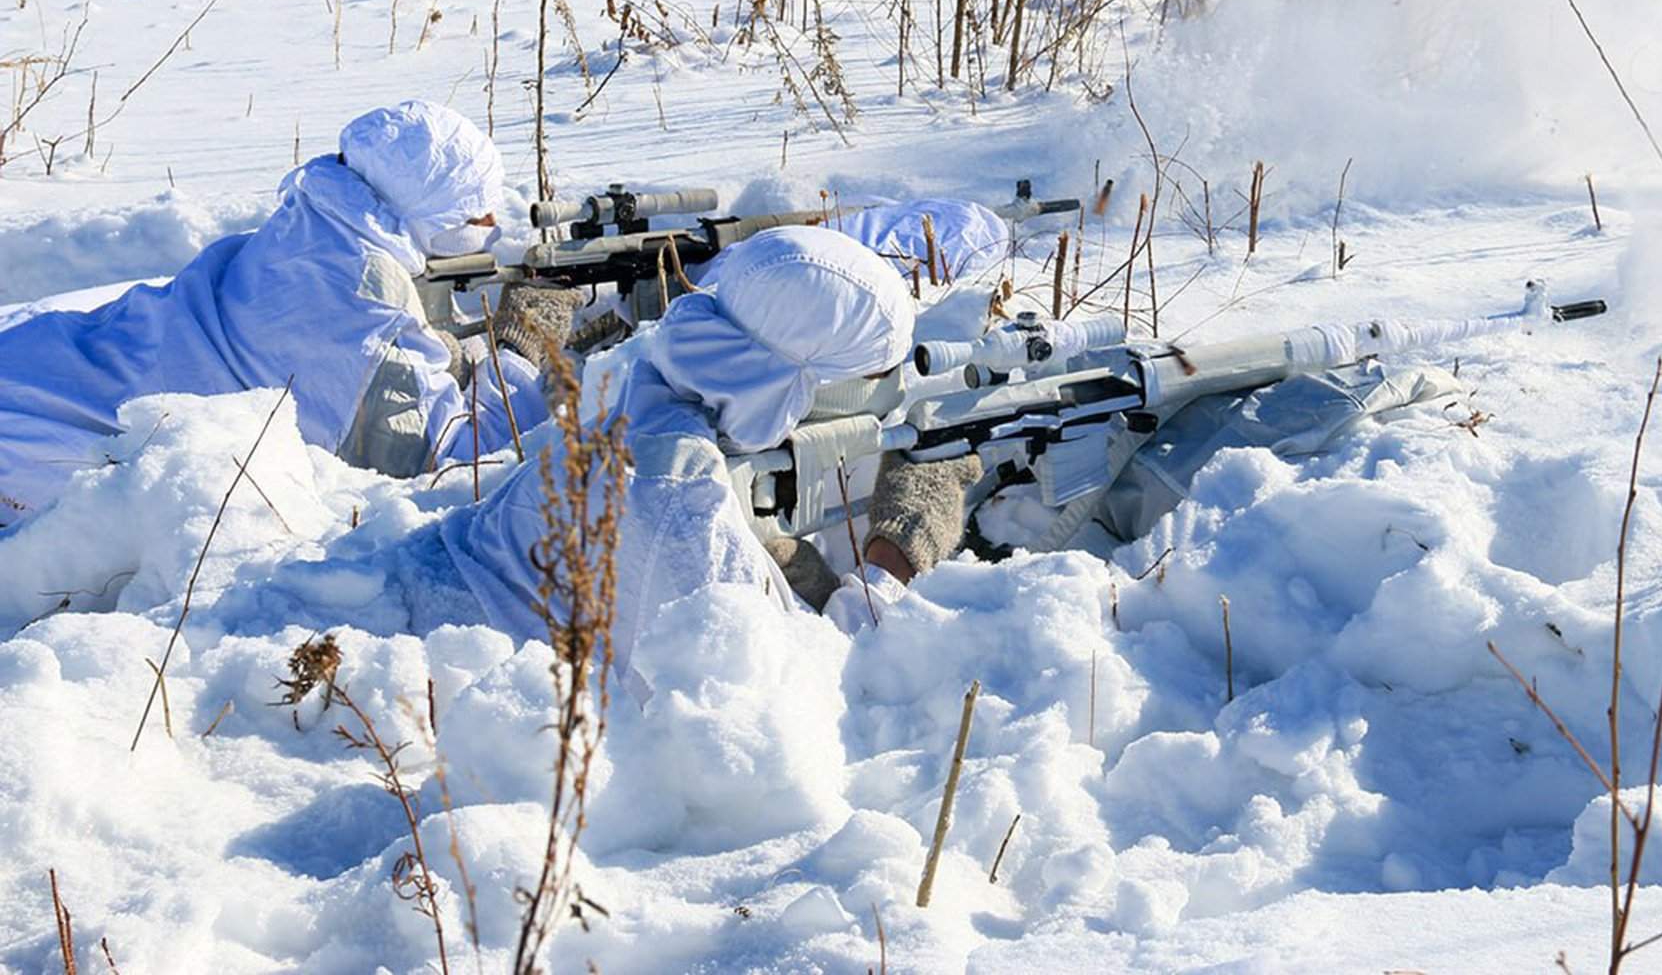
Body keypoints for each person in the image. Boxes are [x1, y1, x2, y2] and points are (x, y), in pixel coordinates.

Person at [439, 225, 980, 693]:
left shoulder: (657, 396)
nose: (888, 390)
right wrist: (896, 558)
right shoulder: (683, 507)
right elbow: (802, 699)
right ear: (797, 381)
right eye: (874, 377)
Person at [0, 101, 560, 527]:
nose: (489, 225)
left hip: (40, 365)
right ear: (429, 208)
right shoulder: (365, 296)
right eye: (476, 211)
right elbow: (456, 467)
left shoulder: (313, 225)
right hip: (39, 445)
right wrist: (522, 354)